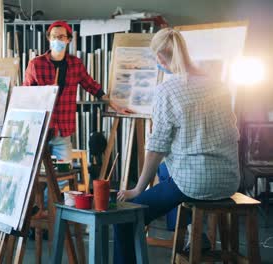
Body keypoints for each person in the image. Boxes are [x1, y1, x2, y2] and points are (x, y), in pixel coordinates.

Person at [113, 28, 240, 263]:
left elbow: (157, 147)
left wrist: (137, 189)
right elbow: (234, 133)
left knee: (123, 219)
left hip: (196, 184)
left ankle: (190, 228)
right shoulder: (219, 86)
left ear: (160, 58)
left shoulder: (167, 90)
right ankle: (195, 232)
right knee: (164, 171)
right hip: (229, 180)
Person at [23, 20, 133, 165]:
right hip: (40, 129)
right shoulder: (35, 64)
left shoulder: (75, 64)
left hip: (63, 130)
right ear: (48, 38)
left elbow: (92, 86)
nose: (57, 39)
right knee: (37, 174)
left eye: (61, 37)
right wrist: (45, 92)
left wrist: (115, 105)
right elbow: (24, 95)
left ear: (68, 40)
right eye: (54, 36)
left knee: (64, 174)